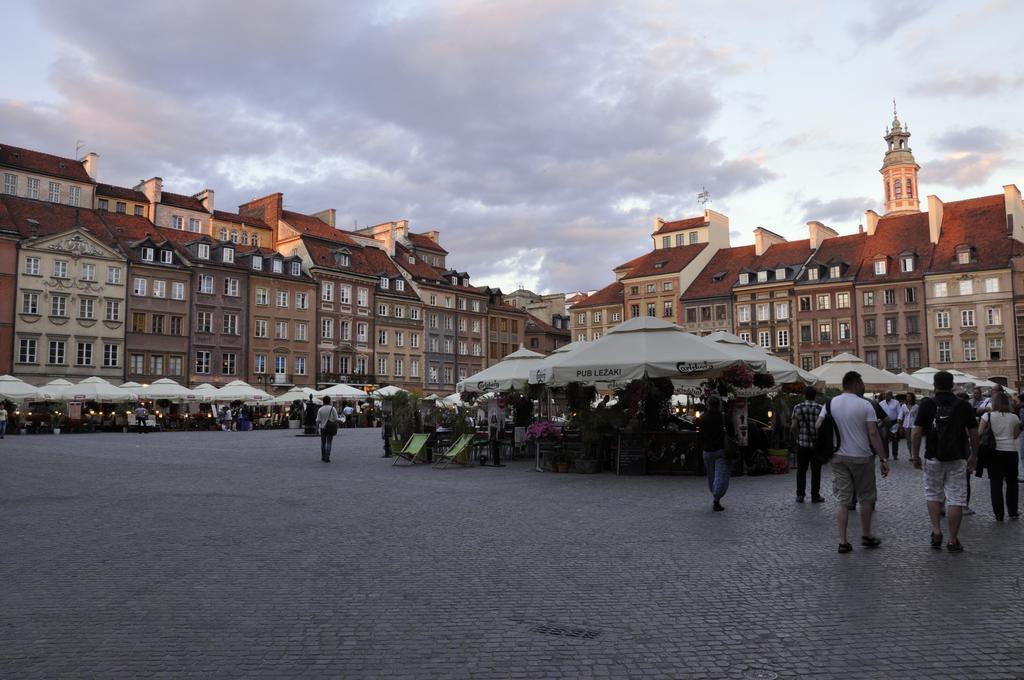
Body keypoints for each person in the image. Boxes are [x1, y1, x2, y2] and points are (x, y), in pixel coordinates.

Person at [816, 371, 889, 553]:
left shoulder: (830, 403)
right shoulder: (865, 405)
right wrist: (883, 458)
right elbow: (873, 434)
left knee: (843, 500)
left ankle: (843, 541)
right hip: (862, 457)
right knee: (866, 497)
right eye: (862, 381)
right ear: (856, 383)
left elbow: (818, 425)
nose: (863, 385)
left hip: (838, 457)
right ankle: (866, 534)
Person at [911, 371, 979, 552]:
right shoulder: (963, 405)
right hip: (957, 457)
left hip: (933, 456)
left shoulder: (926, 404)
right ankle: (953, 539)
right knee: (956, 498)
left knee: (932, 494)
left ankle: (936, 531)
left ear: (934, 385)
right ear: (952, 385)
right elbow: (973, 432)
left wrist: (915, 455)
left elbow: (916, 432)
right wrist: (974, 455)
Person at [978, 391, 1020, 521]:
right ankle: (1013, 511)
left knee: (995, 484)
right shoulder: (1014, 417)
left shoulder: (987, 416)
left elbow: (979, 433)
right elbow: (1015, 435)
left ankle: (999, 514)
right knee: (1012, 483)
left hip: (994, 452)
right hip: (1011, 451)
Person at [790, 386, 824, 503]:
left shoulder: (798, 407)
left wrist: (797, 438)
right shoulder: (821, 408)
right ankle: (815, 495)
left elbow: (793, 427)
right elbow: (823, 428)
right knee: (816, 471)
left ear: (804, 395)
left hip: (802, 444)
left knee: (801, 470)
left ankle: (800, 495)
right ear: (815, 396)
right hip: (816, 446)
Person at [700, 396, 731, 511]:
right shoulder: (724, 417)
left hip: (707, 451)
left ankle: (714, 494)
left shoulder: (703, 418)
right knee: (721, 476)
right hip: (721, 450)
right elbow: (732, 433)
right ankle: (716, 499)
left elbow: (701, 436)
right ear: (719, 405)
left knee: (711, 476)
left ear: (708, 405)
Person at [316, 396, 340, 463]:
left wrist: (316, 429)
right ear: (329, 401)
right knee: (329, 442)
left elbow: (318, 421)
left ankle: (323, 457)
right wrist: (336, 427)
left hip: (322, 428)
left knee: (323, 443)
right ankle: (327, 457)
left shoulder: (320, 409)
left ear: (323, 401)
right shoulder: (333, 409)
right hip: (330, 427)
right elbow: (336, 420)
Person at [880, 392, 902, 461]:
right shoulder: (881, 403)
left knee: (895, 439)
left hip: (894, 422)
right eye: (885, 394)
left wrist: (899, 423)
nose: (886, 396)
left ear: (891, 395)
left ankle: (895, 455)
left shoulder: (896, 402)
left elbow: (900, 413)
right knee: (884, 438)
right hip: (884, 423)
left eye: (888, 394)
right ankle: (886, 455)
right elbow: (879, 413)